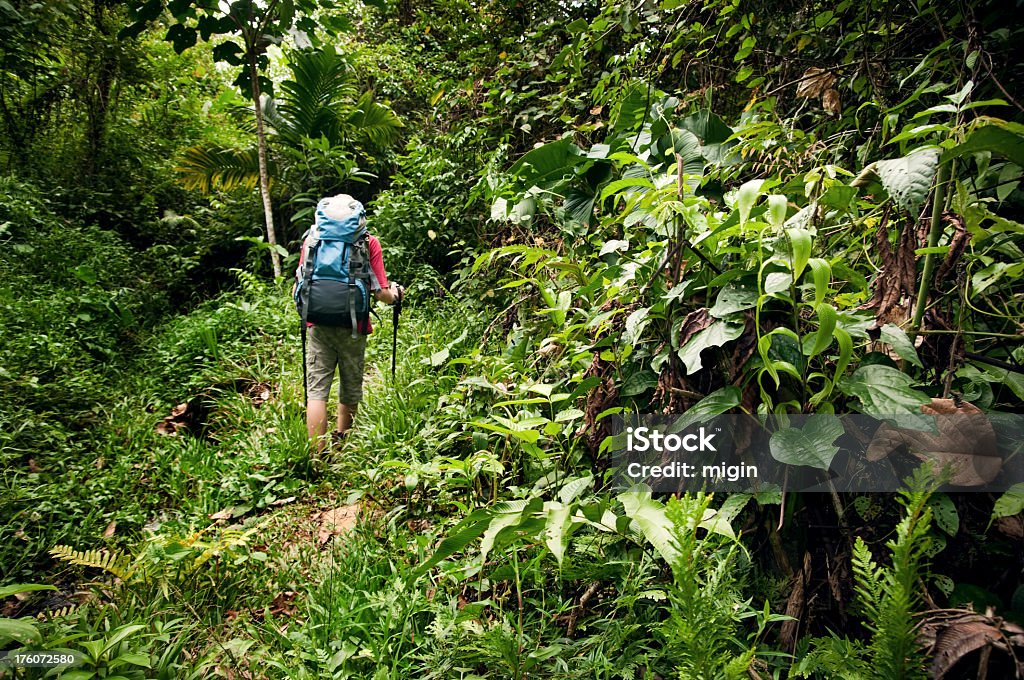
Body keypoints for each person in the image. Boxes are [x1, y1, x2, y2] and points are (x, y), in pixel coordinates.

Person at [295, 195, 403, 452]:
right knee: (350, 385)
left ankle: (317, 455)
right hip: (354, 325)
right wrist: (396, 294)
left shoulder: (312, 241)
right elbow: (381, 293)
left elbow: (298, 286)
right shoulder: (368, 243)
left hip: (317, 323)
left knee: (317, 391)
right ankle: (342, 440)